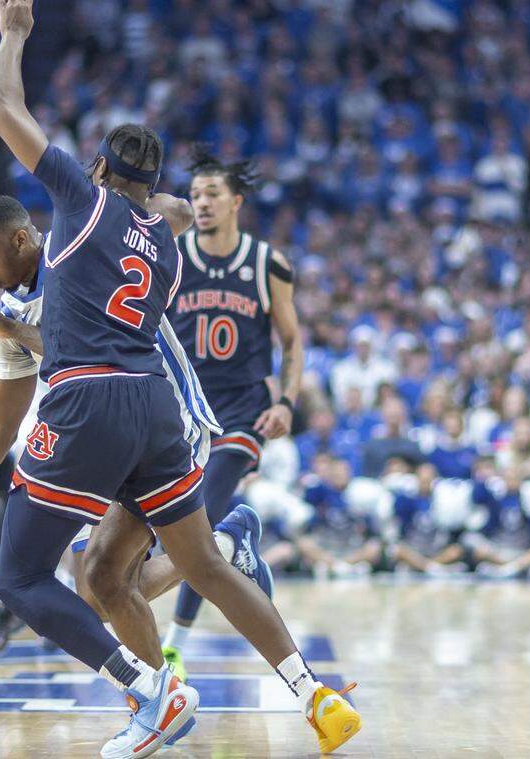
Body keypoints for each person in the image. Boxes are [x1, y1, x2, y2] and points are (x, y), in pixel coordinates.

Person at [0, 4, 360, 756]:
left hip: (93, 401)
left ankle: (153, 690)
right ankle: (312, 695)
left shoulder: (80, 203)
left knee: (21, 580)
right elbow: (170, 208)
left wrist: (14, 32)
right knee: (110, 573)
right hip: (155, 410)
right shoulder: (168, 241)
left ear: (100, 171)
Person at [0, 196, 258, 661]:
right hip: (97, 437)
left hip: (165, 420)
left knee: (107, 579)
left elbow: (82, 345)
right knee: (99, 592)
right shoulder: (11, 314)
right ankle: (162, 693)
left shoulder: (82, 247)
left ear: (20, 238)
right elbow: (0, 425)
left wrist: (156, 212)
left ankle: (175, 677)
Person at [160, 146, 301, 681]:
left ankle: (173, 644)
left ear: (237, 200)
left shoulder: (268, 263)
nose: (201, 203)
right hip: (184, 413)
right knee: (192, 534)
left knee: (200, 518)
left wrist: (287, 401)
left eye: (212, 194)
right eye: (194, 194)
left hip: (243, 411)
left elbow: (292, 343)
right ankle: (238, 534)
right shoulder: (172, 256)